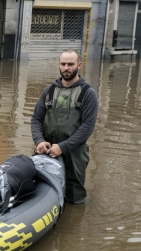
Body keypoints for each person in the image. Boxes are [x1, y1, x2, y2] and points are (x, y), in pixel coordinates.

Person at [31, 49, 99, 204]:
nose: (66, 67)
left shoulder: (88, 93)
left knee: (74, 197)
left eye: (70, 64)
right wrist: (39, 141)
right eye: (63, 64)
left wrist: (63, 147)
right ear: (59, 65)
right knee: (43, 191)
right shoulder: (49, 91)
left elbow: (87, 126)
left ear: (79, 65)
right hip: (47, 151)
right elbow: (36, 119)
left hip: (75, 153)